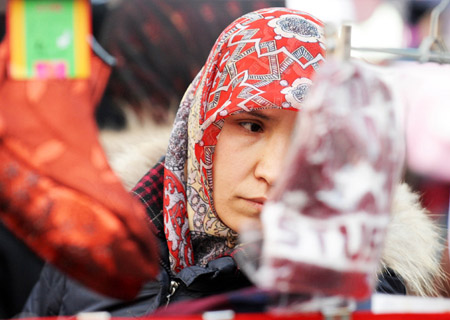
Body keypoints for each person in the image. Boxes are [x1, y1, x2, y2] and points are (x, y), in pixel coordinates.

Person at [22, 7, 443, 317]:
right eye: (251, 125)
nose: (274, 172)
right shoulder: (98, 241)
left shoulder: (352, 290)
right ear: (203, 128)